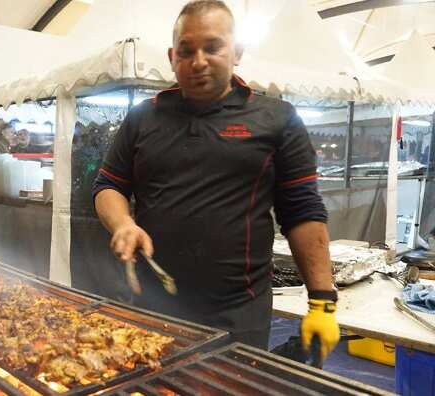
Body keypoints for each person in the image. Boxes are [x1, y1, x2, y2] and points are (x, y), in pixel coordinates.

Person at [92, 0, 339, 360]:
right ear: (171, 56)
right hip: (153, 301)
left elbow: (301, 212)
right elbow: (108, 185)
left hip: (237, 311)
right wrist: (123, 223)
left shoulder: (276, 118)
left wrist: (322, 302)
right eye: (186, 50)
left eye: (212, 47)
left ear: (237, 51)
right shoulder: (144, 118)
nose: (198, 61)